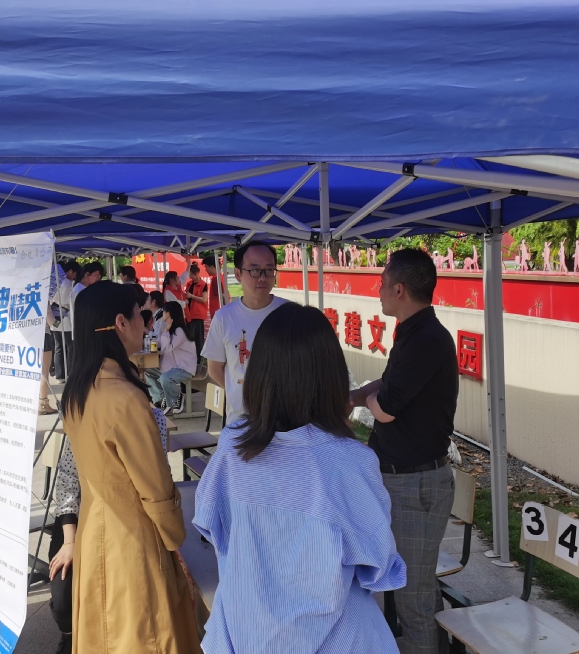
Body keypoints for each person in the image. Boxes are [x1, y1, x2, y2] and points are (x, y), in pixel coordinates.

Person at [194, 302, 405, 652]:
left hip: (242, 634)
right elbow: (378, 566)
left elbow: (211, 526)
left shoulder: (233, 445)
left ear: (260, 373)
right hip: (339, 639)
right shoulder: (350, 461)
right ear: (331, 376)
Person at [61, 281, 199, 654]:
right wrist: (174, 539)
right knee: (146, 636)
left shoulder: (78, 391)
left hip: (94, 531)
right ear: (121, 323)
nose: (146, 323)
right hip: (133, 539)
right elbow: (156, 489)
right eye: (141, 315)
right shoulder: (125, 399)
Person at [350, 248, 458, 654]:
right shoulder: (413, 332)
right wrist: (354, 396)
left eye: (382, 284)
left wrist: (364, 401)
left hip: (416, 486)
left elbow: (386, 408)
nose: (378, 291)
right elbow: (388, 384)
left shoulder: (427, 339)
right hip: (400, 479)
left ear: (399, 289)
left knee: (414, 595)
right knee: (409, 586)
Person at [47, 381, 173, 654]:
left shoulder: (151, 418)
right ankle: (70, 635)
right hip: (81, 520)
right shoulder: (81, 413)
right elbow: (67, 482)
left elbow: (157, 483)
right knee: (64, 595)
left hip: (129, 523)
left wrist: (170, 535)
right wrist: (70, 542)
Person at [203, 241, 287, 418]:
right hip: (240, 418)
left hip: (284, 418)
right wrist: (239, 392)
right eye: (254, 270)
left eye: (269, 270)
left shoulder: (290, 313)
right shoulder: (224, 317)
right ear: (238, 274)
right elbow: (214, 369)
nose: (262, 277)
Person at [145, 301, 197, 413]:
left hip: (184, 368)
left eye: (164, 311)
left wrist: (165, 331)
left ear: (168, 313)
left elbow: (166, 348)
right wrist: (153, 341)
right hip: (172, 367)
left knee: (165, 378)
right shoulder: (173, 329)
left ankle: (175, 397)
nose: (162, 314)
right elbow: (161, 343)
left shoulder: (179, 331)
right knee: (148, 371)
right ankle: (161, 398)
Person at [51, 260, 80, 381]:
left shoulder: (53, 281)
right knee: (69, 346)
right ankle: (69, 374)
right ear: (71, 271)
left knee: (58, 347)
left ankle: (59, 375)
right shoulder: (67, 283)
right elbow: (66, 301)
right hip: (64, 318)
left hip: (53, 319)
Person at [183, 263, 209, 358]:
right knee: (189, 338)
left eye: (192, 274)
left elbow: (204, 300)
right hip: (188, 314)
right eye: (189, 274)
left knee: (198, 339)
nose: (190, 276)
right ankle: (190, 357)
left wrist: (192, 296)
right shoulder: (189, 283)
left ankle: (198, 358)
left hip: (197, 315)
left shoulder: (203, 284)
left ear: (197, 273)